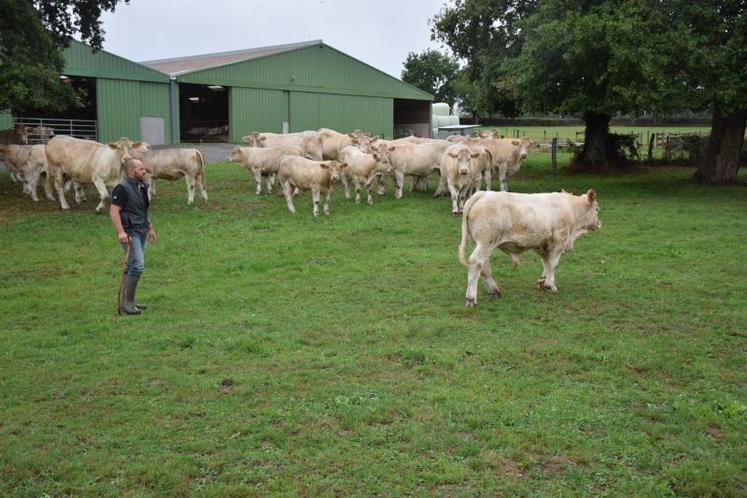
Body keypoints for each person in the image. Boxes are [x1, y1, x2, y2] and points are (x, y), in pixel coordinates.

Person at [109, 158, 157, 315]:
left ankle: (129, 301)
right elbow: (114, 211)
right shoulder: (121, 189)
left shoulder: (142, 186)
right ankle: (128, 304)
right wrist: (121, 232)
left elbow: (143, 210)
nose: (144, 171)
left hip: (141, 229)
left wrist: (150, 228)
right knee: (137, 265)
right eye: (141, 169)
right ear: (131, 171)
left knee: (132, 266)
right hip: (130, 232)